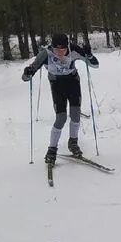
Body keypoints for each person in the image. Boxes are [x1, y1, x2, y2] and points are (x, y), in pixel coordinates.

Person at [22, 33, 99, 165]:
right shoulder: (45, 54)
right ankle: (52, 149)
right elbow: (26, 78)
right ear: (52, 47)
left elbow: (95, 65)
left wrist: (89, 55)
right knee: (61, 117)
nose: (60, 53)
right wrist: (28, 72)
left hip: (73, 83)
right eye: (57, 50)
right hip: (57, 85)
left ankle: (73, 143)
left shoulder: (74, 50)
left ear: (67, 46)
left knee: (75, 115)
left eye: (63, 49)